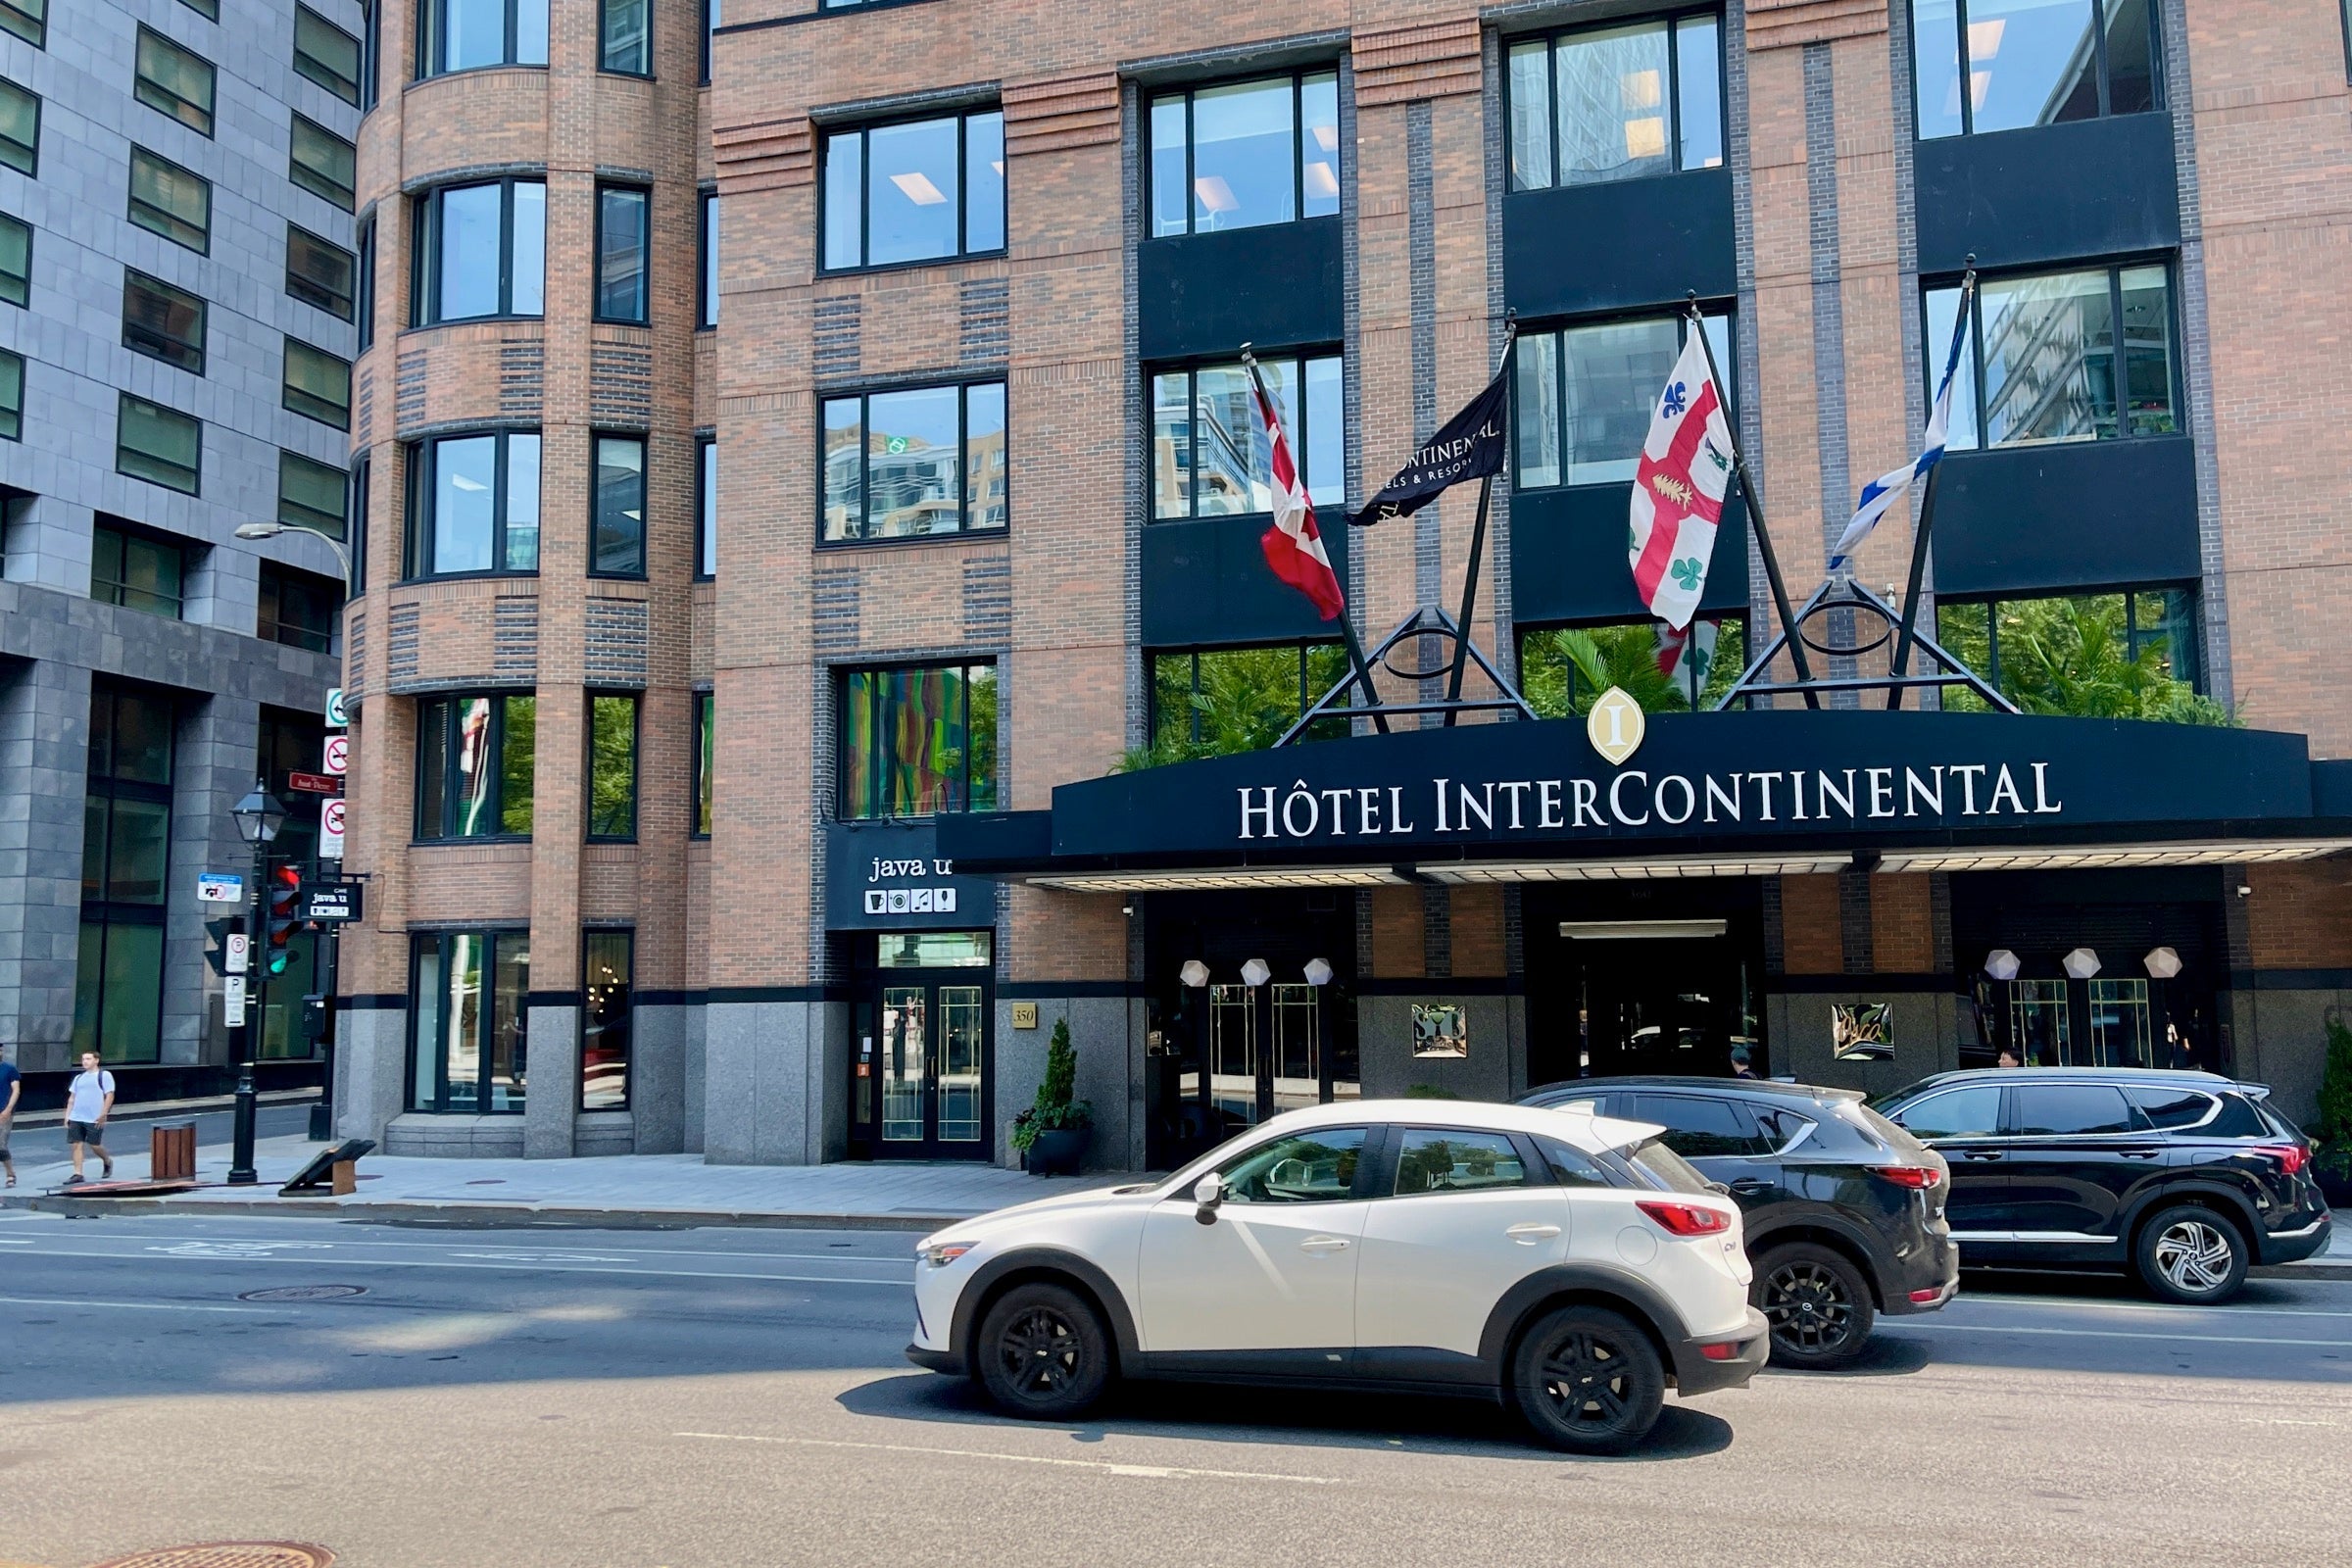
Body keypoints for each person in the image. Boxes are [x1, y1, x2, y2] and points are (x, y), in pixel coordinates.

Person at [64, 1050, 115, 1185]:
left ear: (96, 1060)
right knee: (76, 1144)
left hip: (94, 1117)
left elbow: (109, 1095)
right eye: (83, 1059)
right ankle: (78, 1174)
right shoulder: (79, 1078)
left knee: (94, 1145)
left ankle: (107, 1160)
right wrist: (67, 1115)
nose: (85, 1062)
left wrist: (104, 1113)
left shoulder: (104, 1075)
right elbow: (72, 1098)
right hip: (77, 1116)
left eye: (88, 1059)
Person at [0, 1041, 20, 1189]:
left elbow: (16, 1090)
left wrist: (8, 1109)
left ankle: (10, 1174)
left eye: (1, 1050)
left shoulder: (9, 1069)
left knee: (1, 1145)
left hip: (4, 1112)